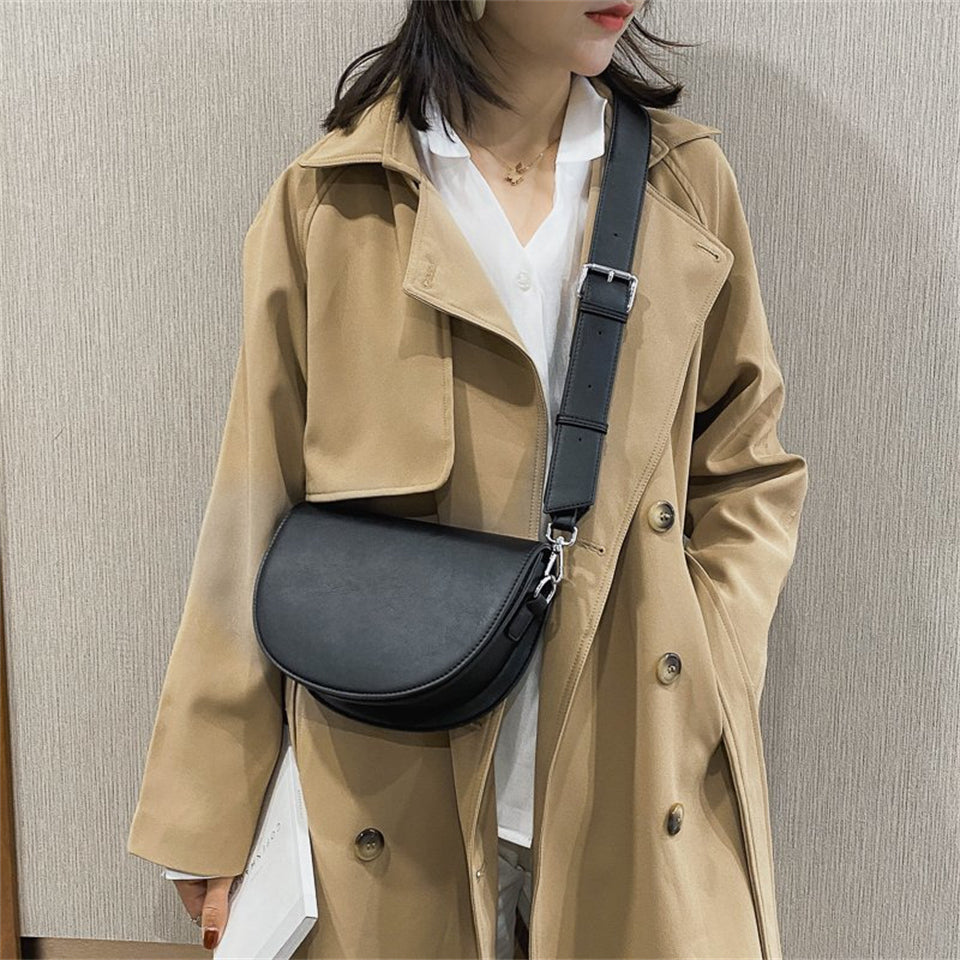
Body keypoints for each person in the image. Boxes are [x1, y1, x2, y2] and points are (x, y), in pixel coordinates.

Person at [128, 2, 809, 958]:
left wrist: (707, 658)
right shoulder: (335, 202)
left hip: (635, 772)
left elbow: (745, 465)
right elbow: (254, 500)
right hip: (391, 783)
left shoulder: (683, 183)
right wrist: (207, 809)